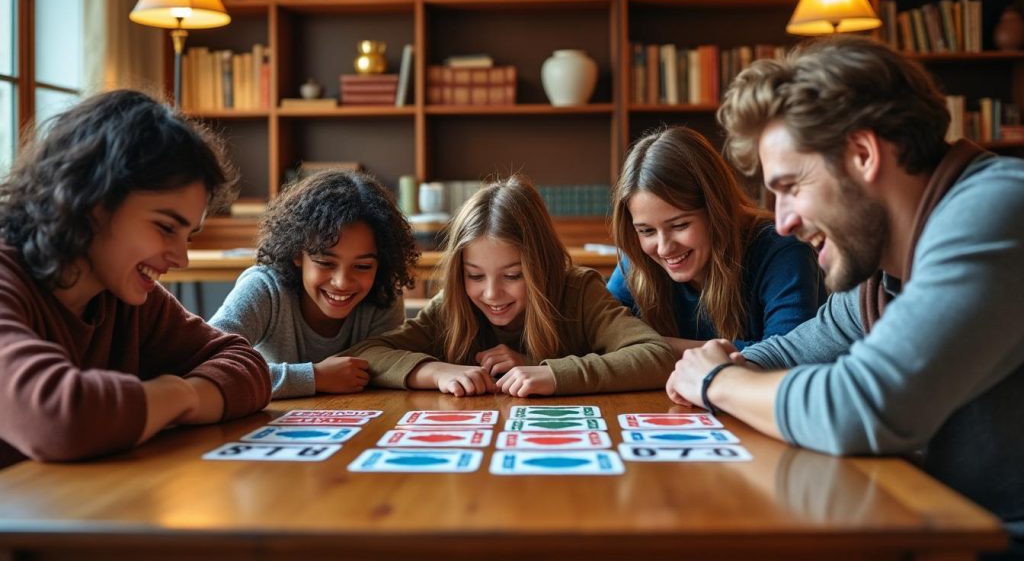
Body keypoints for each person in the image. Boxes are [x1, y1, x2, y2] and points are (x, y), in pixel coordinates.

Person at [666, 35, 1024, 550]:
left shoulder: (994, 210)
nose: (783, 222)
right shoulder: (882, 272)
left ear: (862, 153)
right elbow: (791, 350)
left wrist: (718, 381)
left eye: (792, 186)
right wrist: (719, 362)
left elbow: (863, 406)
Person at [0, 90, 271, 467]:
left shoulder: (122, 295)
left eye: (188, 235)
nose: (181, 258)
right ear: (91, 200)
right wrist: (176, 394)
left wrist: (181, 395)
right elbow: (60, 418)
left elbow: (246, 366)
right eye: (165, 227)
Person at [349, 175, 675, 397]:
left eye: (513, 276)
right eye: (475, 276)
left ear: (541, 266)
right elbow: (364, 355)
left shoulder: (579, 291)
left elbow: (656, 356)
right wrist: (435, 372)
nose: (491, 294)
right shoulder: (454, 303)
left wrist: (550, 372)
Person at [608, 126, 824, 356]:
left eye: (680, 225)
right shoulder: (639, 260)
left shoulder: (782, 249)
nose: (663, 248)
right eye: (646, 231)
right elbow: (600, 333)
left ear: (717, 211)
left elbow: (789, 355)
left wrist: (656, 348)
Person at [209, 170, 419, 399]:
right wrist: (314, 376)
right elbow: (209, 361)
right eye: (325, 263)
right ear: (297, 254)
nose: (341, 282)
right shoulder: (264, 288)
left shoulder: (383, 293)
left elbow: (387, 372)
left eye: (362, 267)